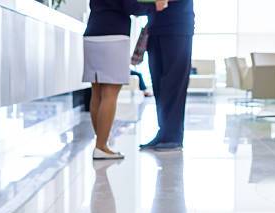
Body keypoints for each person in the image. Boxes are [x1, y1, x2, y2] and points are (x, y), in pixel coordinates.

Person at [83, 0, 166, 160]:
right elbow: (129, 5)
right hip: (113, 35)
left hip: (92, 33)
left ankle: (100, 144)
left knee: (97, 93)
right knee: (110, 93)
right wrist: (154, 5)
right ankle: (101, 147)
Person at [140, 0, 195, 151]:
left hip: (178, 28)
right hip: (156, 28)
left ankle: (173, 137)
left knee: (173, 83)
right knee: (158, 84)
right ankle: (163, 133)